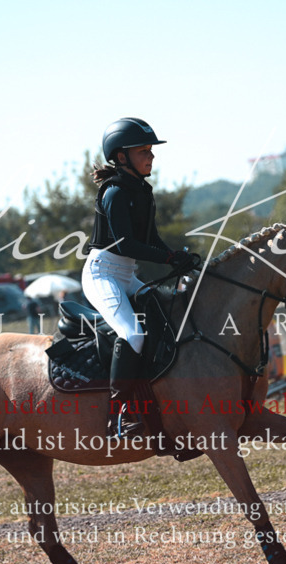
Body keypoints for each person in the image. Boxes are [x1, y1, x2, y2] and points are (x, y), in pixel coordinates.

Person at [82, 117, 196, 438]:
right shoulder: (115, 193)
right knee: (133, 335)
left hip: (126, 273)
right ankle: (116, 414)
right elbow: (125, 244)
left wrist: (178, 256)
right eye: (144, 151)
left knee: (166, 319)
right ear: (122, 157)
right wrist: (168, 258)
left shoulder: (143, 191)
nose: (151, 156)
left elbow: (151, 240)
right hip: (102, 274)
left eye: (151, 150)